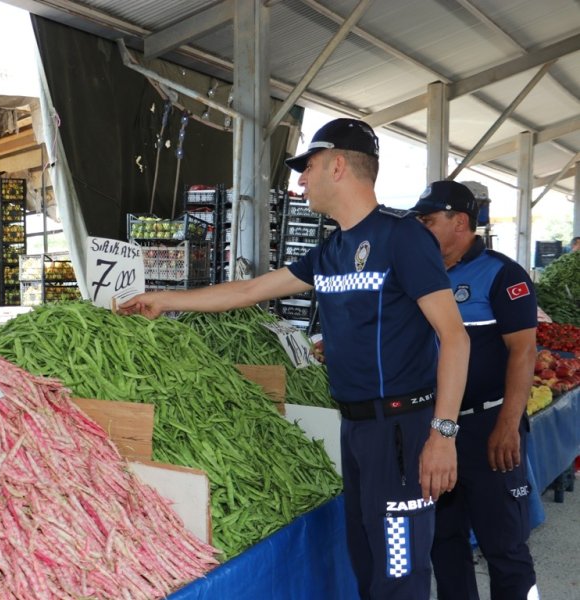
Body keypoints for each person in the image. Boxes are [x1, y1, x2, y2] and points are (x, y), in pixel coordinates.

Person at [119, 118, 470, 599]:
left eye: (308, 167)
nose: (301, 180)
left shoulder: (402, 239)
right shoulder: (332, 250)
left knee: (398, 565)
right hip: (356, 430)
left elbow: (454, 337)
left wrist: (443, 434)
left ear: (339, 165)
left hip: (402, 436)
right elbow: (251, 289)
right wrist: (165, 299)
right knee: (367, 561)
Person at [410, 180, 539, 600]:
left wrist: (507, 424)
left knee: (503, 544)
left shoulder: (502, 274)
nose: (420, 229)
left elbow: (523, 352)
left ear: (460, 222)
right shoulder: (419, 275)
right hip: (436, 431)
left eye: (428, 221)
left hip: (488, 427)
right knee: (443, 543)